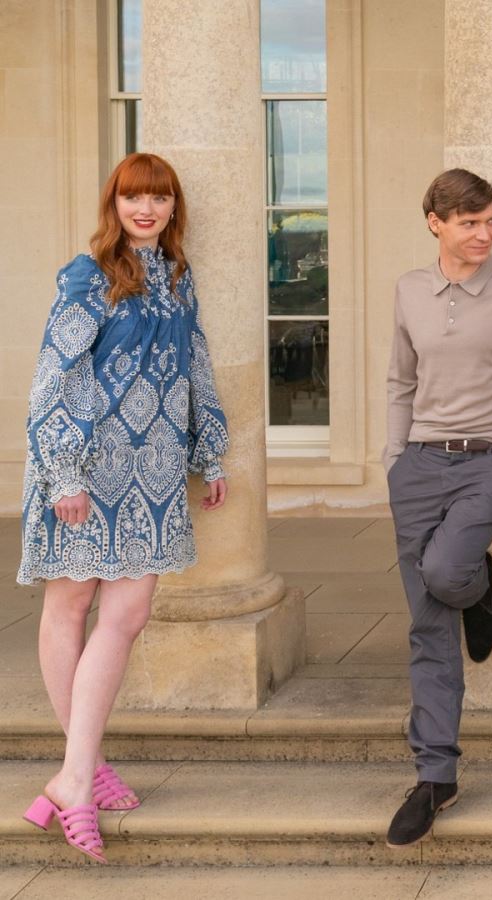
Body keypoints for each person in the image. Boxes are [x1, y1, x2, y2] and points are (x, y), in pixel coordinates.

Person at [18, 152, 230, 862]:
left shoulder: (178, 277)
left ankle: (76, 772)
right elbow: (54, 380)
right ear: (114, 203)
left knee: (129, 614)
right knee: (70, 607)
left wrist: (211, 449)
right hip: (86, 468)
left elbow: (194, 361)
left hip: (156, 467)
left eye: (159, 198)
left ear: (173, 207)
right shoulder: (88, 278)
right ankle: (82, 773)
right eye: (134, 197)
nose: (147, 209)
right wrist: (65, 474)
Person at [383, 168, 492, 846]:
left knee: (447, 573)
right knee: (428, 628)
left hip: (491, 461)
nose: (484, 234)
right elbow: (400, 379)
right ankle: (436, 776)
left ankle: (475, 579)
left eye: (491, 221)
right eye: (469, 223)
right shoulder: (408, 290)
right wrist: (395, 458)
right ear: (436, 222)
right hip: (421, 464)